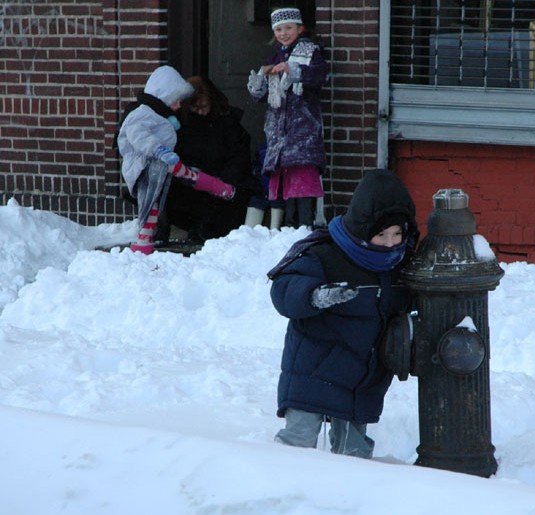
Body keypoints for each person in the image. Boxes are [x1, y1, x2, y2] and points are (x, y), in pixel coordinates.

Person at [267, 169, 418, 458]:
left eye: (397, 234)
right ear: (363, 228)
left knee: (354, 453)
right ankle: (282, 495)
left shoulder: (400, 264)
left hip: (362, 377)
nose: (390, 243)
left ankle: (348, 501)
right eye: (382, 234)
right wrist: (314, 296)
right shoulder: (326, 253)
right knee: (297, 443)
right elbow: (284, 290)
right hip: (313, 370)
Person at [116, 65, 236, 254]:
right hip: (147, 167)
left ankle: (220, 188)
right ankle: (144, 242)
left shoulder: (159, 114)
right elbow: (138, 136)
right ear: (163, 96)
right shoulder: (141, 114)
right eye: (176, 100)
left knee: (186, 176)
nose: (179, 105)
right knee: (152, 202)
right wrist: (159, 150)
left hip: (163, 163)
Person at [246, 6, 329, 229]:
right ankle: (287, 227)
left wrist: (292, 70)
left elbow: (321, 75)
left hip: (302, 130)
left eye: (288, 28)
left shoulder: (310, 51)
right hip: (279, 133)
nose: (284, 33)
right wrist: (258, 86)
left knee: (302, 179)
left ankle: (304, 225)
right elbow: (264, 97)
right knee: (285, 182)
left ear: (300, 28)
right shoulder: (274, 56)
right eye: (279, 29)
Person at [157, 76, 258, 242]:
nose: (201, 111)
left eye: (204, 106)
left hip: (224, 183)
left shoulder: (226, 120)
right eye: (195, 108)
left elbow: (239, 155)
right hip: (194, 184)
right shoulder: (182, 125)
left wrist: (224, 179)